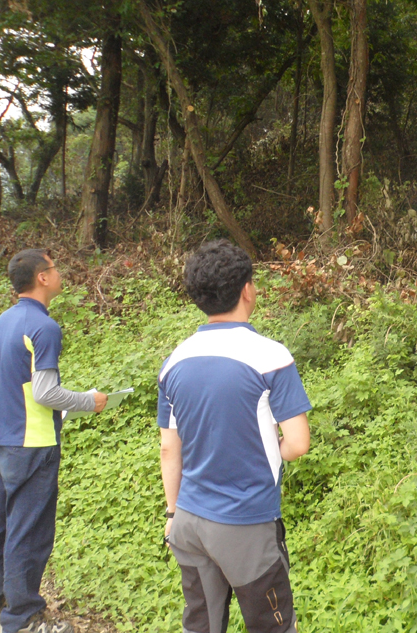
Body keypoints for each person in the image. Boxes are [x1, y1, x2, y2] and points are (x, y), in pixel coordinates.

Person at [159, 240, 312, 633]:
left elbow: (168, 448)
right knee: (272, 625)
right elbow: (297, 443)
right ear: (247, 289)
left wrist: (172, 514)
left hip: (188, 521)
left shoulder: (174, 360)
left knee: (203, 624)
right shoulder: (270, 356)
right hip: (245, 522)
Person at [0, 249, 107, 633]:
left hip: (1, 440)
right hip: (33, 444)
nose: (59, 272)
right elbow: (45, 392)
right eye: (54, 267)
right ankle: (23, 617)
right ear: (42, 278)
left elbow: (14, 385)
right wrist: (88, 402)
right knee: (29, 533)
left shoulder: (4, 321)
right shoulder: (44, 327)